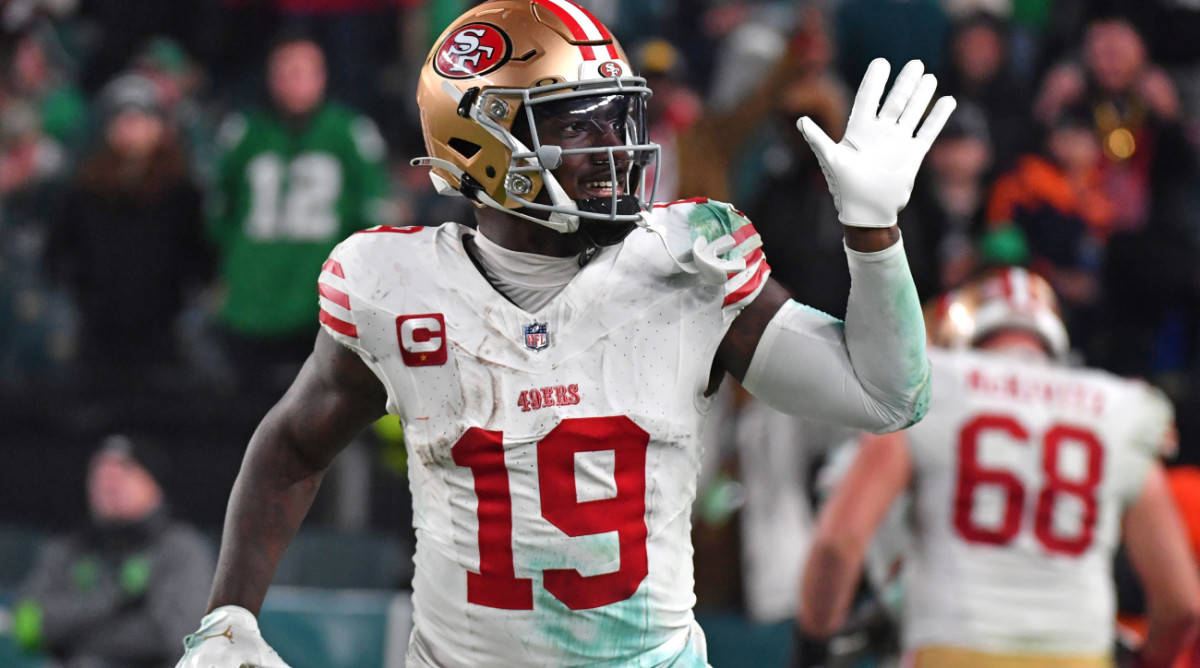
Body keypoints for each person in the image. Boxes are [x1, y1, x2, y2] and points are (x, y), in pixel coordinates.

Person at [176, 0, 956, 665]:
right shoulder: (392, 286)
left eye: (618, 117)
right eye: (580, 125)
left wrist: (874, 234)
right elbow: (291, 446)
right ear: (485, 146)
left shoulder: (688, 265)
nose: (617, 148)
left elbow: (888, 394)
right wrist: (230, 613)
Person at [798, 267, 1200, 667]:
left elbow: (838, 543)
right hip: (1079, 653)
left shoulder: (930, 387)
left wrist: (813, 646)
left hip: (952, 648)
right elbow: (1182, 605)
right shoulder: (1120, 408)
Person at [208, 31, 390, 391]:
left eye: (303, 71)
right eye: (284, 72)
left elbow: (374, 219)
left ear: (322, 76)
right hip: (250, 299)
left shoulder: (349, 132)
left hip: (320, 301)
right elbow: (217, 215)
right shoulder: (244, 132)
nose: (294, 82)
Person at [44, 72, 212, 383]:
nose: (131, 129)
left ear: (161, 127)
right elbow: (56, 255)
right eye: (122, 118)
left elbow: (201, 260)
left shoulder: (184, 196)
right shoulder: (83, 194)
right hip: (97, 335)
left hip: (164, 337)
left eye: (141, 118)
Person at [12, 434, 215, 668]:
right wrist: (115, 597)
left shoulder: (181, 548)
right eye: (99, 473)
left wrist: (73, 643)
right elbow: (28, 625)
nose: (108, 482)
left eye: (123, 471)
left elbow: (176, 638)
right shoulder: (70, 548)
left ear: (152, 483)